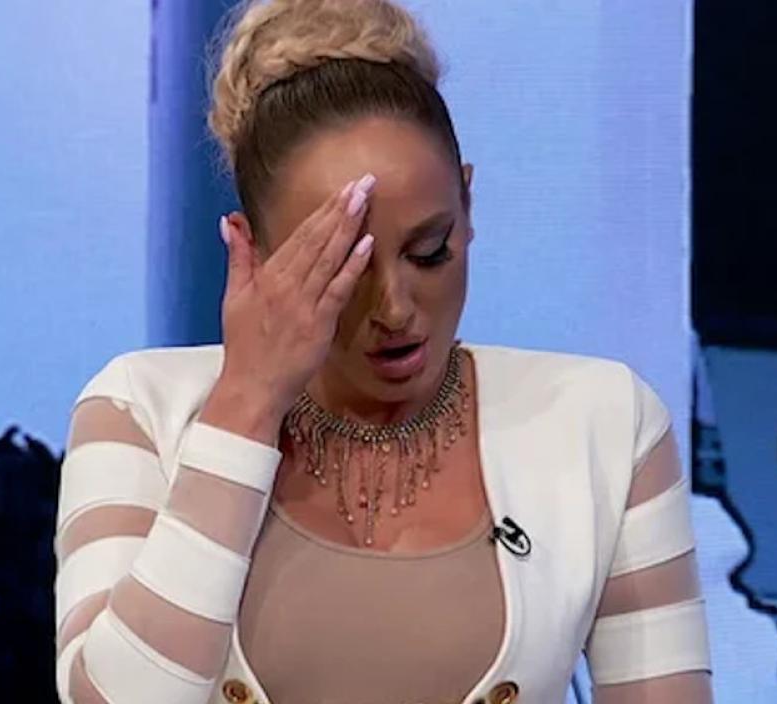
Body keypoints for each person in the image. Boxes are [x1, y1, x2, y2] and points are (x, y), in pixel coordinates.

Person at [51, 0, 712, 702]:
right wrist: (245, 406)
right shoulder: (137, 410)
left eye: (430, 253)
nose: (394, 309)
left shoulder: (606, 423)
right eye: (342, 269)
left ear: (468, 206)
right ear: (254, 252)